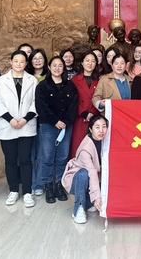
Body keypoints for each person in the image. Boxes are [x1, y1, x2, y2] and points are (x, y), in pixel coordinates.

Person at [0, 50, 38, 208]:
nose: (19, 64)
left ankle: (27, 192)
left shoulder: (32, 80)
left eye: (22, 61)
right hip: (7, 125)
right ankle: (13, 190)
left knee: (25, 160)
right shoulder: (1, 81)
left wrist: (25, 119)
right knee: (10, 160)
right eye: (16, 61)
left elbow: (36, 102)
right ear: (10, 62)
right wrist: (10, 119)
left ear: (26, 63)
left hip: (26, 126)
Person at [35, 56, 78, 204]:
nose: (57, 68)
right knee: (47, 157)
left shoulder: (70, 86)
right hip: (48, 126)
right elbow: (41, 107)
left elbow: (74, 106)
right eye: (54, 65)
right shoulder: (42, 86)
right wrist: (55, 121)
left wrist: (65, 121)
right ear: (49, 67)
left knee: (62, 157)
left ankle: (59, 184)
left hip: (66, 126)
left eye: (60, 65)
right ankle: (48, 185)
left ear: (63, 68)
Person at [62, 114, 108, 224]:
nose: (101, 130)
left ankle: (88, 202)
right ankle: (79, 208)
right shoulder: (85, 149)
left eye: (104, 126)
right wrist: (97, 197)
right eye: (97, 127)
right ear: (91, 129)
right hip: (76, 180)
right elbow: (91, 172)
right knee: (84, 173)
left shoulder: (105, 141)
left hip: (94, 178)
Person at [24, 48, 47, 196]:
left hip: (45, 121)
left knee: (42, 155)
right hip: (27, 120)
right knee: (29, 155)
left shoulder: (50, 76)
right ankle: (31, 183)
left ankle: (40, 183)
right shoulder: (25, 77)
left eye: (40, 58)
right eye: (34, 58)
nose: (37, 61)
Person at [70, 51, 100, 159]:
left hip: (94, 118)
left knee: (93, 150)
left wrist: (92, 112)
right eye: (87, 61)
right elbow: (72, 101)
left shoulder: (99, 80)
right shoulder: (74, 80)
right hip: (79, 118)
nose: (90, 64)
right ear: (82, 63)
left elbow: (100, 98)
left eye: (93, 61)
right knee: (77, 148)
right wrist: (83, 113)